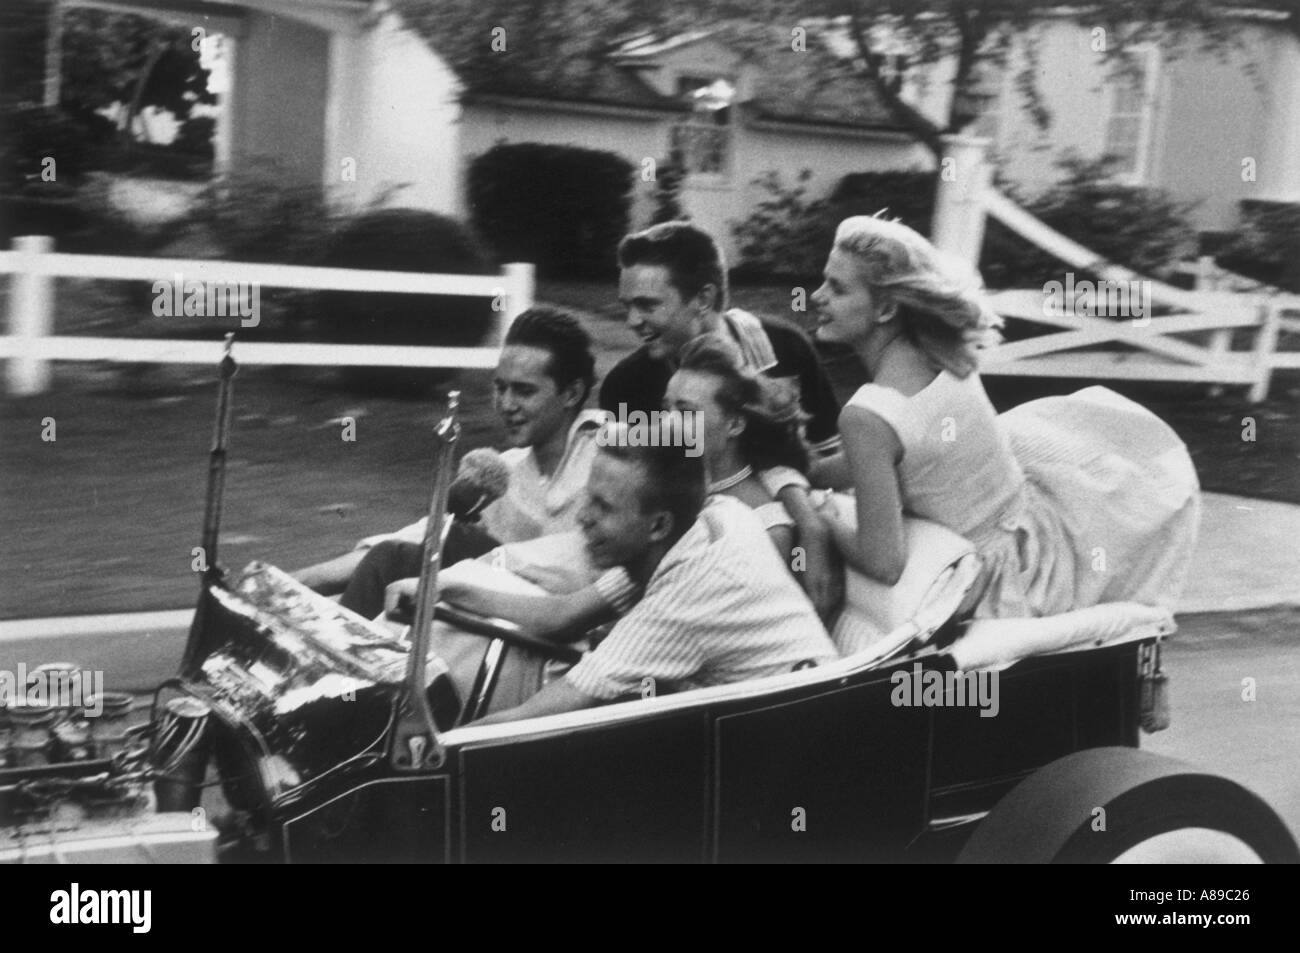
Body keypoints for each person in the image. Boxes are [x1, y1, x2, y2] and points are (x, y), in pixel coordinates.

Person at [805, 214, 1200, 622]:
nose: (816, 296)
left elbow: (884, 563)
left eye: (836, 288)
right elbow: (896, 452)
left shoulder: (867, 416)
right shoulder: (944, 352)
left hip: (997, 580)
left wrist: (824, 519)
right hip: (1041, 533)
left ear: (886, 308)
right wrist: (809, 471)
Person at [438, 334, 819, 637]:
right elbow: (576, 610)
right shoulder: (678, 494)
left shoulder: (764, 527)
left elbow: (682, 632)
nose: (667, 424)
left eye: (685, 412)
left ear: (735, 424)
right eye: (666, 408)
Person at [472, 434, 838, 725]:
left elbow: (537, 716)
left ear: (658, 525)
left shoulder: (687, 600)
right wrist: (443, 591)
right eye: (589, 499)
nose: (583, 516)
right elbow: (562, 615)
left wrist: (441, 746)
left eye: (603, 506)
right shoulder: (712, 518)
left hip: (794, 745)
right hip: (790, 715)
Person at [293, 306, 609, 617]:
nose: (507, 404)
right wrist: (307, 578)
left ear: (571, 393)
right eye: (500, 388)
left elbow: (590, 558)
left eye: (524, 391)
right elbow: (423, 536)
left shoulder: (617, 450)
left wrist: (481, 559)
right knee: (369, 576)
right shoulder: (501, 471)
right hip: (488, 616)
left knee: (419, 557)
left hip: (573, 625)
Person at [601, 221, 845, 620]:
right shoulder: (628, 387)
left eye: (647, 305)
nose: (632, 321)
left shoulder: (784, 347)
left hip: (781, 532)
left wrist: (811, 525)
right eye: (626, 306)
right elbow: (644, 506)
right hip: (687, 556)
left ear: (703, 298)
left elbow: (822, 456)